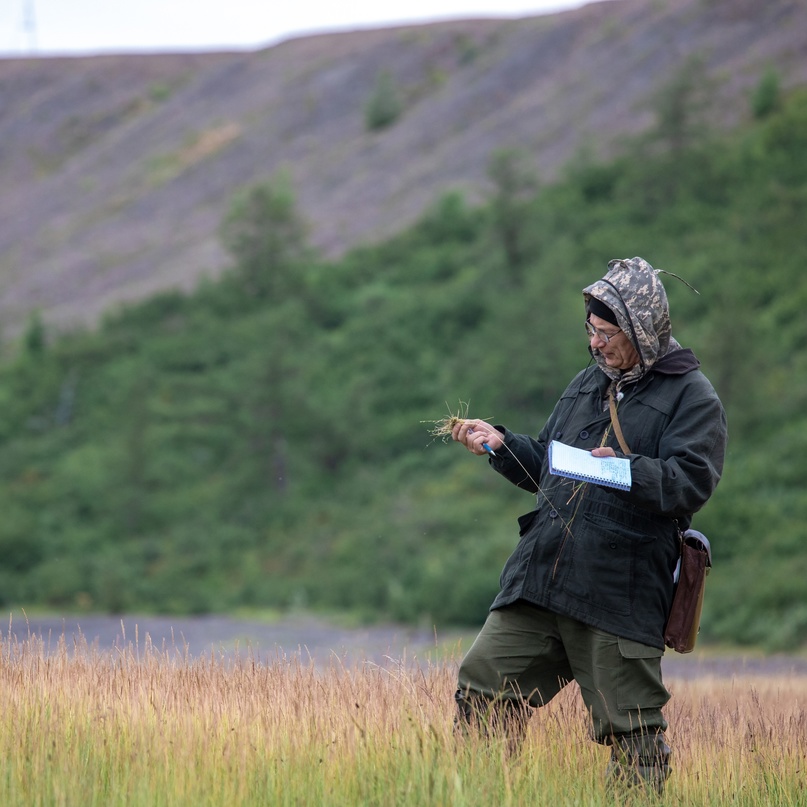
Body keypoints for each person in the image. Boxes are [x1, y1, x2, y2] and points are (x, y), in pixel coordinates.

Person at [451, 256, 727, 793]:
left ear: (642, 330)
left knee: (634, 738)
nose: (596, 345)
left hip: (618, 594)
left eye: (607, 334)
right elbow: (551, 465)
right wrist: (504, 445)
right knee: (482, 690)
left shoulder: (694, 398)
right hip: (542, 579)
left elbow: (691, 482)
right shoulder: (586, 383)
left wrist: (622, 471)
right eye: (591, 331)